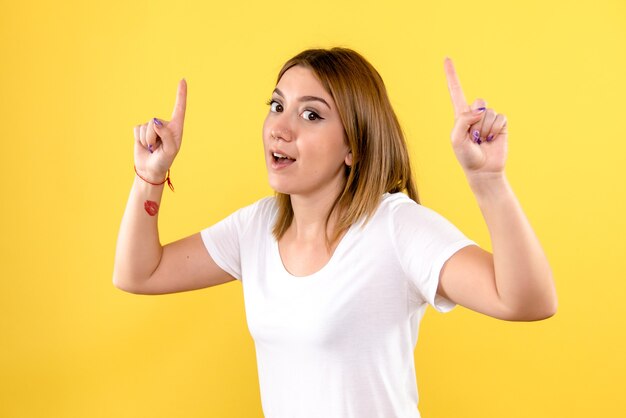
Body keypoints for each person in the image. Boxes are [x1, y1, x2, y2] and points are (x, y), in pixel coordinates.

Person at [113, 47, 558, 418]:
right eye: (277, 106)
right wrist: (150, 176)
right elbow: (139, 274)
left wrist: (488, 181)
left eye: (311, 114)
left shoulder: (395, 227)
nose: (280, 128)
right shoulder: (256, 227)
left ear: (353, 145)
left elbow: (528, 301)